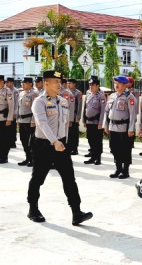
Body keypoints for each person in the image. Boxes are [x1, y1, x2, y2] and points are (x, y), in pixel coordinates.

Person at [27, 70, 92, 225]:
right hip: (43, 145)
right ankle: (33, 208)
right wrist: (54, 141)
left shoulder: (63, 101)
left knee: (69, 178)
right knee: (38, 178)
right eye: (56, 82)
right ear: (46, 83)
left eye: (60, 82)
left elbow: (65, 125)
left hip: (61, 145)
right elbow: (42, 124)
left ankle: (76, 212)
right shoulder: (39, 102)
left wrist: (63, 142)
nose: (59, 85)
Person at [103, 75, 136, 179]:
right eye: (115, 83)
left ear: (124, 84)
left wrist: (131, 129)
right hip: (112, 127)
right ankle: (118, 169)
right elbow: (106, 111)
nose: (116, 85)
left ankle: (125, 170)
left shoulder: (129, 97)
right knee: (114, 149)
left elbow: (132, 114)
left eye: (118, 83)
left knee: (125, 150)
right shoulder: (112, 96)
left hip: (124, 128)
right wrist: (105, 124)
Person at [82, 77, 106, 165]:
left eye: (93, 85)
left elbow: (103, 111)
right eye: (90, 85)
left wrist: (101, 123)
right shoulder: (88, 94)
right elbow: (85, 108)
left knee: (97, 141)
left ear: (97, 86)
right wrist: (84, 120)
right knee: (90, 139)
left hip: (97, 122)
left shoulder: (101, 95)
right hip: (89, 122)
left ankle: (97, 158)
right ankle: (92, 157)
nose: (91, 87)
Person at [0, 74, 14, 163]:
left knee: (3, 139)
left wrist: (9, 119)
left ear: (1, 82)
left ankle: (4, 156)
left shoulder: (7, 91)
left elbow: (11, 106)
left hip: (3, 118)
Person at [17, 77, 38, 166]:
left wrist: (33, 121)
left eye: (24, 83)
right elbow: (19, 107)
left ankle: (33, 159)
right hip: (22, 120)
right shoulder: (21, 93)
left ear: (30, 84)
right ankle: (28, 158)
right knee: (23, 140)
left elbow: (35, 109)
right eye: (22, 83)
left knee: (31, 142)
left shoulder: (34, 94)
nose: (22, 85)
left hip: (29, 121)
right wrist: (18, 119)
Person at [67, 78, 82, 155]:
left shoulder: (78, 93)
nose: (68, 85)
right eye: (68, 83)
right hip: (67, 116)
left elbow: (79, 106)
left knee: (74, 134)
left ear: (74, 84)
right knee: (69, 133)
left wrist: (78, 117)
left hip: (74, 116)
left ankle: (75, 148)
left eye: (70, 83)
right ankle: (69, 148)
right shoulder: (66, 92)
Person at [6, 77, 19, 148]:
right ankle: (8, 141)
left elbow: (16, 103)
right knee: (7, 127)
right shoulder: (6, 90)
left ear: (12, 83)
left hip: (13, 112)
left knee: (13, 127)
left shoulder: (15, 91)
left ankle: (13, 142)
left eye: (8, 82)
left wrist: (15, 112)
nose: (7, 83)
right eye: (6, 82)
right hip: (6, 112)